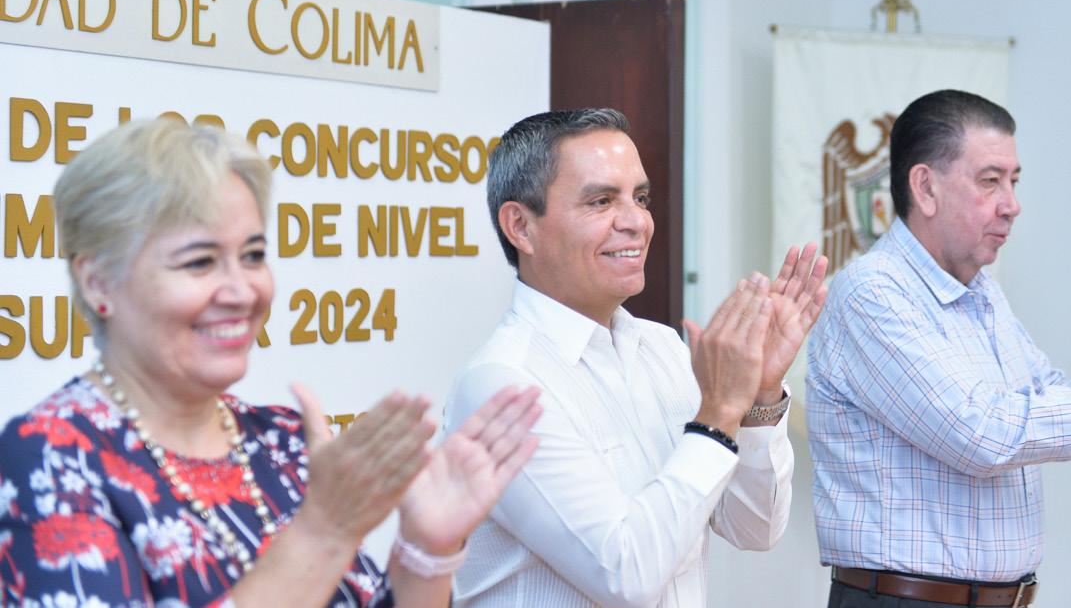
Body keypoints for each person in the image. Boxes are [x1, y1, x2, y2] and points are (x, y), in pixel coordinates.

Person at [0, 119, 542, 608]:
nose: (242, 291)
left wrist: (428, 546)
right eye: (199, 262)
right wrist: (322, 531)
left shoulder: (282, 440)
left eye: (253, 256)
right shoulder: (50, 455)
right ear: (98, 282)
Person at [806, 89, 1071, 608]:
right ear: (925, 188)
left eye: (1014, 181)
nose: (1012, 205)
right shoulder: (872, 293)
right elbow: (983, 435)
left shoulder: (982, 293)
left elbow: (1046, 402)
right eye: (990, 180)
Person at [443, 108, 829, 607]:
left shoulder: (662, 347)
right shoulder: (503, 382)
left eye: (640, 199)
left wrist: (758, 396)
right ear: (520, 226)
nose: (637, 223)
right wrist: (717, 414)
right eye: (601, 201)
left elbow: (752, 527)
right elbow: (625, 573)